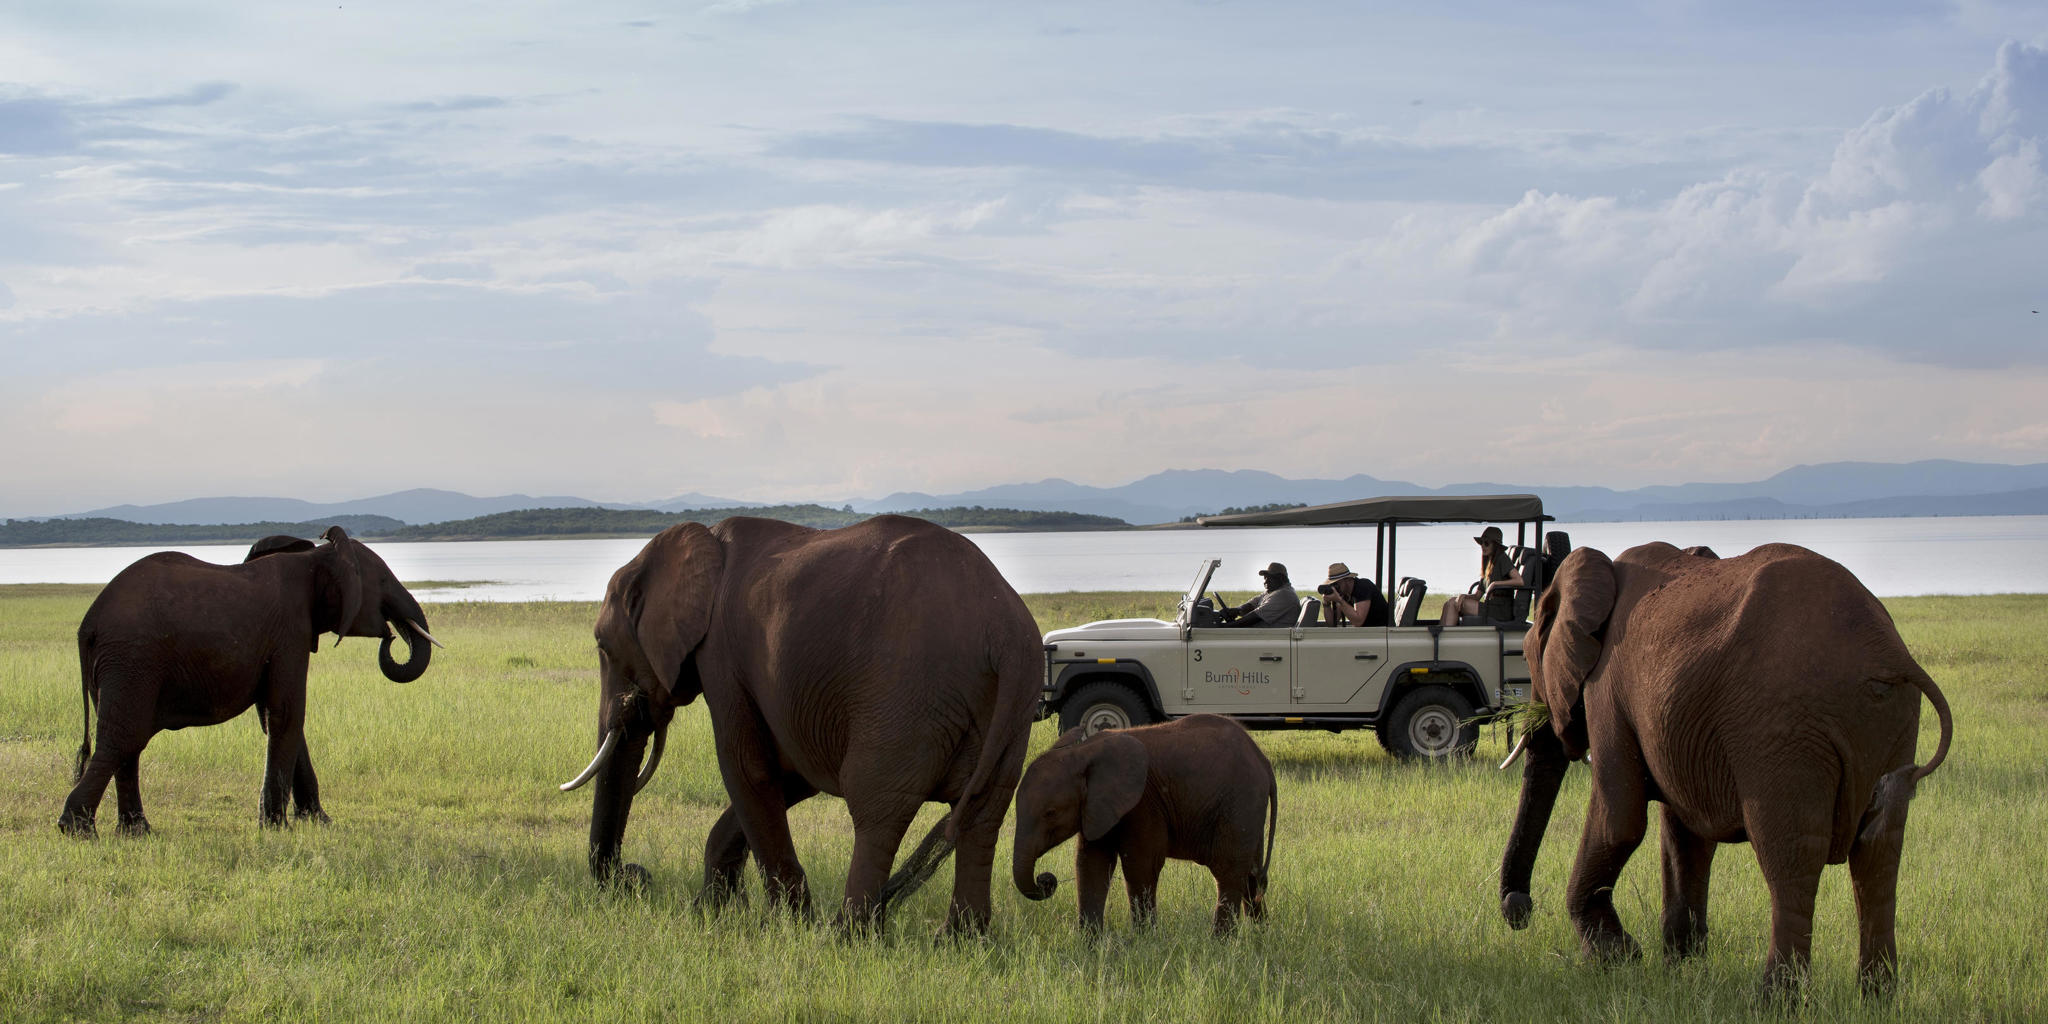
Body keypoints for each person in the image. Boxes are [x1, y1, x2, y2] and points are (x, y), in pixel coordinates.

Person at [1440, 526, 1522, 625]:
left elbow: (1519, 581)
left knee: (1453, 604)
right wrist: (1462, 596)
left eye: (1486, 543)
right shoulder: (1488, 564)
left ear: (1495, 545)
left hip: (1500, 610)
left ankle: (1446, 638)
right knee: (1450, 602)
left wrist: (1495, 584)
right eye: (1481, 543)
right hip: (1490, 606)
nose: (1483, 546)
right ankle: (1439, 636)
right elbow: (1477, 596)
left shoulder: (1502, 558)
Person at [1219, 562, 1301, 628]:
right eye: (1265, 578)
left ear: (1281, 578)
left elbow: (1254, 617)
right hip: (1263, 636)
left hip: (1273, 639)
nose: (1265, 581)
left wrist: (1225, 626)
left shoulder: (1284, 594)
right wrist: (1236, 610)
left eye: (1270, 578)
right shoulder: (1272, 591)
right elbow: (1252, 604)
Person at [1319, 562, 1388, 627]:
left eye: (1336, 583)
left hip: (1382, 634)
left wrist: (1340, 601)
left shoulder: (1363, 587)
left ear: (1347, 580)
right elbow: (1332, 624)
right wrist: (1326, 603)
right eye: (1332, 584)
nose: (1335, 587)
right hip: (1369, 634)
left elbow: (1358, 622)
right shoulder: (1343, 593)